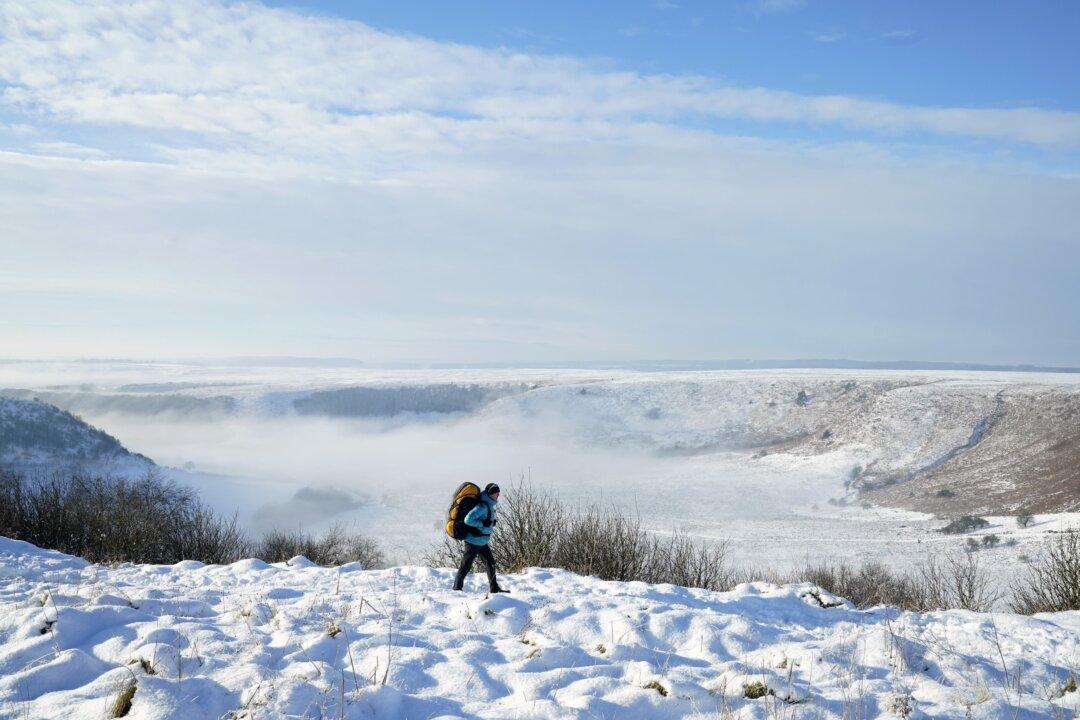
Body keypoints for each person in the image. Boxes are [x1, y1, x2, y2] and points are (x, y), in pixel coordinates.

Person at [453, 483, 506, 593]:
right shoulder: (482, 506)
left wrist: (491, 523)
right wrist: (482, 524)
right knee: (466, 565)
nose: (498, 495)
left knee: (491, 563)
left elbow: (485, 520)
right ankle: (456, 588)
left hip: (481, 541)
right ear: (491, 494)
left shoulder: (489, 505)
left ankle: (494, 588)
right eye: (496, 493)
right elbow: (468, 519)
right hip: (473, 541)